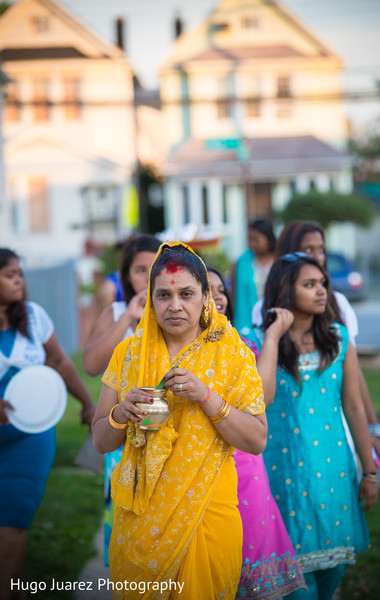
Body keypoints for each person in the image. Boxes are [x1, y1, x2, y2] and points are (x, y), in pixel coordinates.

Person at [91, 242, 268, 600]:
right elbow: (100, 441)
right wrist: (121, 413)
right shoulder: (129, 354)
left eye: (186, 293)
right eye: (163, 295)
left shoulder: (232, 352)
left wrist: (207, 397)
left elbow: (257, 440)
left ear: (206, 297)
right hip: (141, 522)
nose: (174, 305)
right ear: (150, 300)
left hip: (207, 515)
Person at [259, 253, 378, 600]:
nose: (321, 291)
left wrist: (369, 472)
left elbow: (354, 406)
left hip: (334, 475)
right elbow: (259, 399)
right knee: (296, 584)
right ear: (285, 290)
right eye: (309, 285)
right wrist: (272, 337)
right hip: (282, 475)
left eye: (322, 283)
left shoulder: (338, 339)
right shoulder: (258, 340)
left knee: (332, 573)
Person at [0, 248, 96, 600]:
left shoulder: (34, 317)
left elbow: (59, 361)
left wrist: (87, 404)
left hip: (30, 438)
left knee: (14, 519)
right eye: (10, 274)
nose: (19, 281)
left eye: (20, 274)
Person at [208, 267, 306, 599]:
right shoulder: (168, 348)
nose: (217, 296)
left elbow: (263, 396)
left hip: (243, 464)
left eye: (221, 289)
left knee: (245, 567)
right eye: (206, 289)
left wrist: (274, 337)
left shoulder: (242, 342)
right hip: (196, 468)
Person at [252, 220, 380, 465]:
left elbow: (353, 382)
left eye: (321, 249)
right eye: (307, 249)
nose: (317, 256)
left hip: (333, 432)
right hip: (282, 442)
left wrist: (372, 428)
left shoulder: (338, 310)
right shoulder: (264, 314)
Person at [83, 234, 161, 565]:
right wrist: (128, 318)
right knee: (129, 527)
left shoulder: (176, 309)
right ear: (126, 275)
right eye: (139, 270)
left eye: (153, 269)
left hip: (169, 435)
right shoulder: (117, 311)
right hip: (122, 437)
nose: (146, 277)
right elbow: (91, 364)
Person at [232, 218, 276, 336]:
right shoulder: (242, 262)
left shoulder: (280, 261)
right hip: (246, 326)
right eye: (249, 239)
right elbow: (234, 295)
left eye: (256, 239)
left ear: (268, 238)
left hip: (275, 323)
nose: (251, 244)